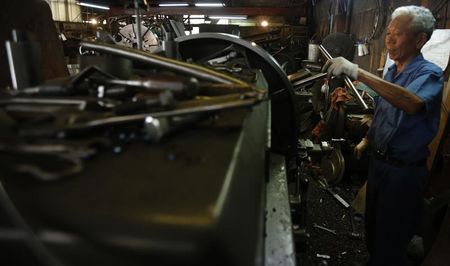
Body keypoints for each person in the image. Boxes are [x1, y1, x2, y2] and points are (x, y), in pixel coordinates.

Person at [322, 5, 443, 266]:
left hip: (404, 173)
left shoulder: (429, 74)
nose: (388, 39)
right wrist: (367, 141)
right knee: (373, 231)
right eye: (388, 33)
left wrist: (358, 71)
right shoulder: (391, 72)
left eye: (396, 34)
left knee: (391, 239)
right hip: (379, 165)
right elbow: (383, 112)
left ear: (419, 39)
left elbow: (410, 103)